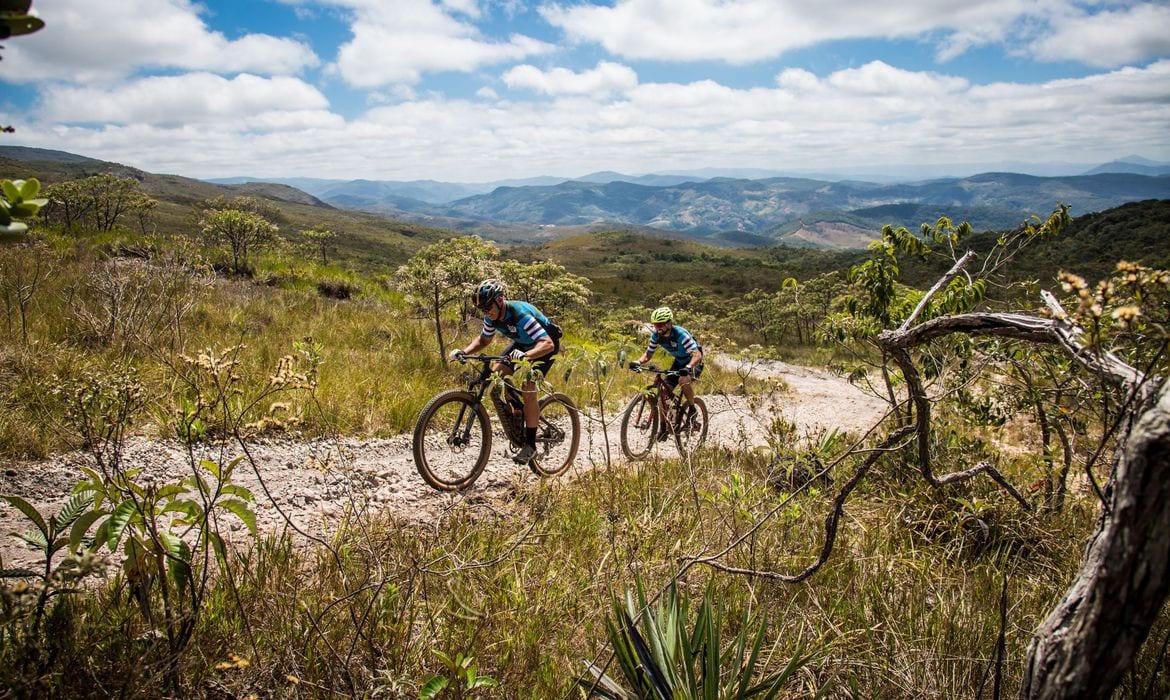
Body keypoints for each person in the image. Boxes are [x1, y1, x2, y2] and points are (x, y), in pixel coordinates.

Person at [449, 278, 559, 464]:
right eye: (482, 309)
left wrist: (525, 357)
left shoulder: (520, 314)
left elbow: (547, 344)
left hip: (545, 346)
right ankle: (517, 414)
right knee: (495, 377)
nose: (485, 312)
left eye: (487, 307)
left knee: (528, 387)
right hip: (523, 344)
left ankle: (530, 445)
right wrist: (464, 352)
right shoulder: (491, 316)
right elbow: (484, 340)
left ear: (500, 300)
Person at [632, 306, 703, 441]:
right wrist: (638, 362)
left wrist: (688, 367)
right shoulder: (656, 336)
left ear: (669, 323)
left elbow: (697, 355)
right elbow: (648, 354)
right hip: (679, 362)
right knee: (663, 392)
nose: (657, 328)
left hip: (694, 362)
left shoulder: (681, 335)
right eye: (655, 325)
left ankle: (692, 408)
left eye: (660, 325)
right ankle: (663, 428)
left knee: (683, 380)